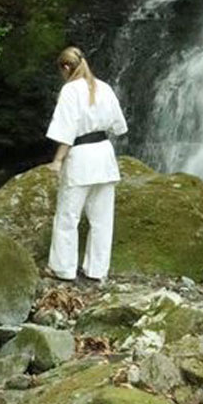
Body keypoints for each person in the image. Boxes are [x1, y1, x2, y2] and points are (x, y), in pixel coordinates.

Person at [44, 45, 127, 283]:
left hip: (80, 157)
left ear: (67, 67)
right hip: (104, 155)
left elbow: (67, 131)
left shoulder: (70, 91)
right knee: (102, 219)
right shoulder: (106, 88)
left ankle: (64, 269)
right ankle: (96, 270)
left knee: (68, 216)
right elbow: (119, 127)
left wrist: (58, 161)